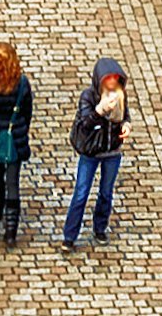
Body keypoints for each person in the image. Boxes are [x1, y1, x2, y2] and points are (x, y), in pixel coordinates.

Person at [60, 55, 128, 249]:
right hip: (90, 153)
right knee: (81, 193)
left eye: (115, 79)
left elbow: (126, 116)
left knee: (106, 193)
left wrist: (126, 125)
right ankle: (70, 235)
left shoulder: (122, 95)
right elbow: (85, 124)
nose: (112, 83)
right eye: (109, 79)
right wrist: (99, 111)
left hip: (111, 151)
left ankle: (100, 228)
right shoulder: (88, 97)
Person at [0, 42, 36, 244]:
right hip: (15, 136)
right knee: (13, 181)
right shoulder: (22, 83)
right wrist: (22, 129)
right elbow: (27, 111)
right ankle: (11, 232)